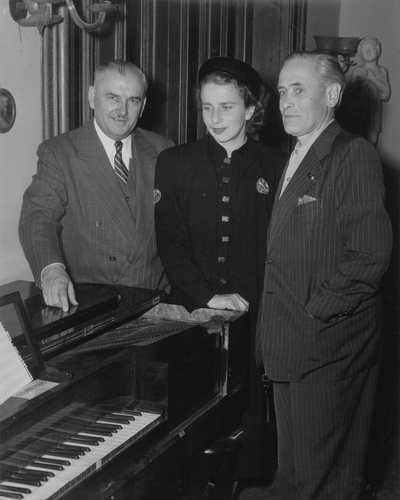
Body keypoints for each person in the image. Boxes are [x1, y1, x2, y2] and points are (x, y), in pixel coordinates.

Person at [256, 51, 393, 499]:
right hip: (290, 346)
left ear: (332, 95)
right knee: (296, 475)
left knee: (323, 481)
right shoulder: (295, 152)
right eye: (281, 92)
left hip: (327, 346)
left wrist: (315, 315)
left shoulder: (351, 153)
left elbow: (369, 256)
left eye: (299, 90)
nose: (286, 102)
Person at [154, 56, 287, 479]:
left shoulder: (276, 164)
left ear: (250, 109)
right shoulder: (175, 163)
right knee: (191, 427)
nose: (215, 118)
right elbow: (171, 247)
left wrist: (252, 301)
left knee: (249, 422)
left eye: (226, 107)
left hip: (255, 316)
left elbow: (279, 247)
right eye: (207, 107)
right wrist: (210, 296)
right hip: (194, 314)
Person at [19, 60, 174, 312]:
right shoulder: (60, 152)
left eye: (133, 100)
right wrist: (51, 270)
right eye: (112, 97)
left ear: (143, 105)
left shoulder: (164, 150)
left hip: (154, 304)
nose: (122, 110)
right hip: (89, 307)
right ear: (92, 97)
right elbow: (37, 215)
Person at [344, 36, 390, 146]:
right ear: (360, 54)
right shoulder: (358, 71)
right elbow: (351, 94)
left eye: (371, 49)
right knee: (358, 139)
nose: (368, 52)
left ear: (378, 51)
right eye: (364, 50)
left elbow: (385, 95)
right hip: (360, 109)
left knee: (373, 141)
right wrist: (358, 83)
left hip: (375, 110)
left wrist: (372, 78)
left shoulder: (382, 71)